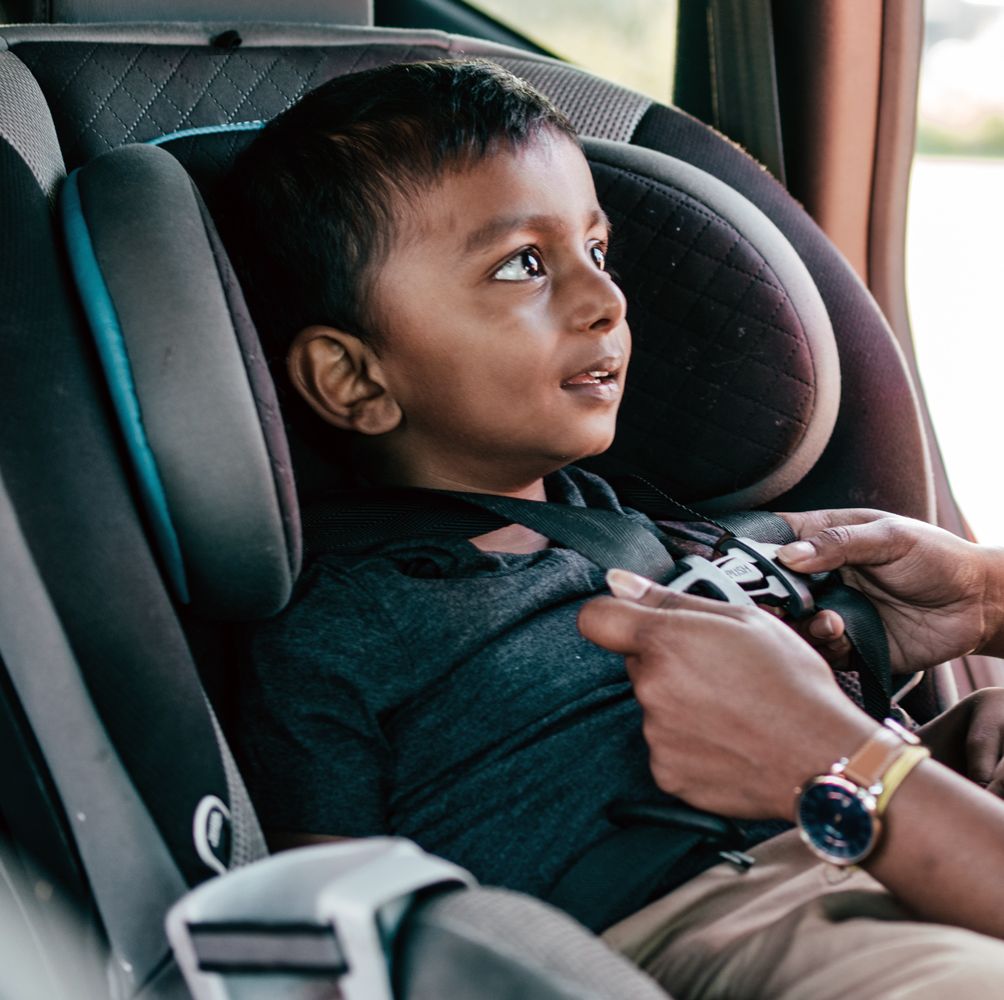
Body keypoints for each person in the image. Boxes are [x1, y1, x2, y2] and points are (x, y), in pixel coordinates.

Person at [224, 60, 1004, 997]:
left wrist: (936, 723)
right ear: (354, 379)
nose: (607, 301)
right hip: (718, 922)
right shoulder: (333, 632)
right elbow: (335, 931)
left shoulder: (650, 528)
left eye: (598, 252)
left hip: (885, 835)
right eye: (523, 264)